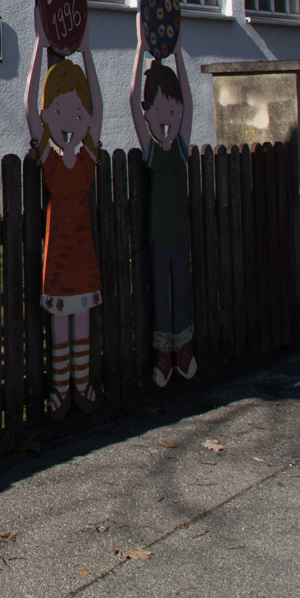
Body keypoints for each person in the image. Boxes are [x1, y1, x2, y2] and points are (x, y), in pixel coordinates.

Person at [24, 3, 104, 421]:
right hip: (57, 252)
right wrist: (39, 47)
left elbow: (100, 110)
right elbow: (29, 109)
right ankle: (60, 387)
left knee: (82, 318)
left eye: (76, 112)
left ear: (85, 116)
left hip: (82, 252)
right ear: (47, 115)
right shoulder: (49, 158)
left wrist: (87, 53)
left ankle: (82, 382)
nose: (69, 120)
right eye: (58, 111)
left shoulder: (88, 156)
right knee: (60, 319)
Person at [130, 36, 197, 387]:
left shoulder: (181, 149)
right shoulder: (153, 152)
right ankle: (163, 353)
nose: (166, 118)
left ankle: (183, 348)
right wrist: (141, 50)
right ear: (147, 114)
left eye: (172, 111)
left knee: (181, 288)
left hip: (180, 233)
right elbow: (132, 100)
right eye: (157, 111)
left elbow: (188, 99)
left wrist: (179, 53)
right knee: (161, 291)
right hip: (159, 234)